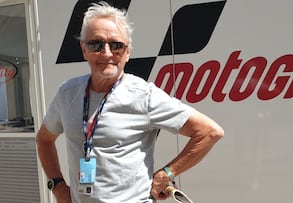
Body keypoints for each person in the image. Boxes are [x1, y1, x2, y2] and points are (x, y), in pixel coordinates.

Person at [36, 1, 224, 203]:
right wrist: (57, 186)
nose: (107, 53)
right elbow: (44, 140)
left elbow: (209, 132)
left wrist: (167, 173)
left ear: (127, 52)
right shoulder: (67, 93)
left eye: (116, 45)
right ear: (84, 49)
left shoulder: (143, 96)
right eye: (96, 44)